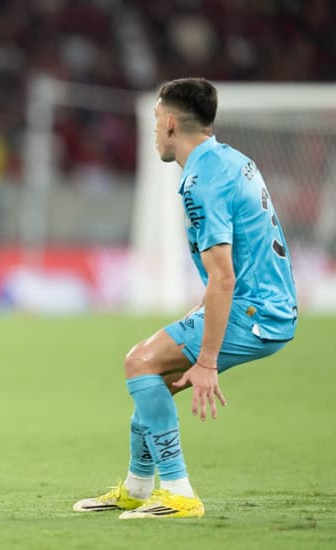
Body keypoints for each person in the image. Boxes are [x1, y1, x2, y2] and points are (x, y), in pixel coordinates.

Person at [73, 78, 297, 519]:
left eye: (157, 119)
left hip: (254, 311)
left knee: (140, 362)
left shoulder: (202, 181)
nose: (155, 129)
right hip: (267, 304)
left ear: (172, 122)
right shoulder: (231, 160)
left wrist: (207, 361)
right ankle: (137, 488)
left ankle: (178, 493)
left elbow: (224, 277)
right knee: (151, 382)